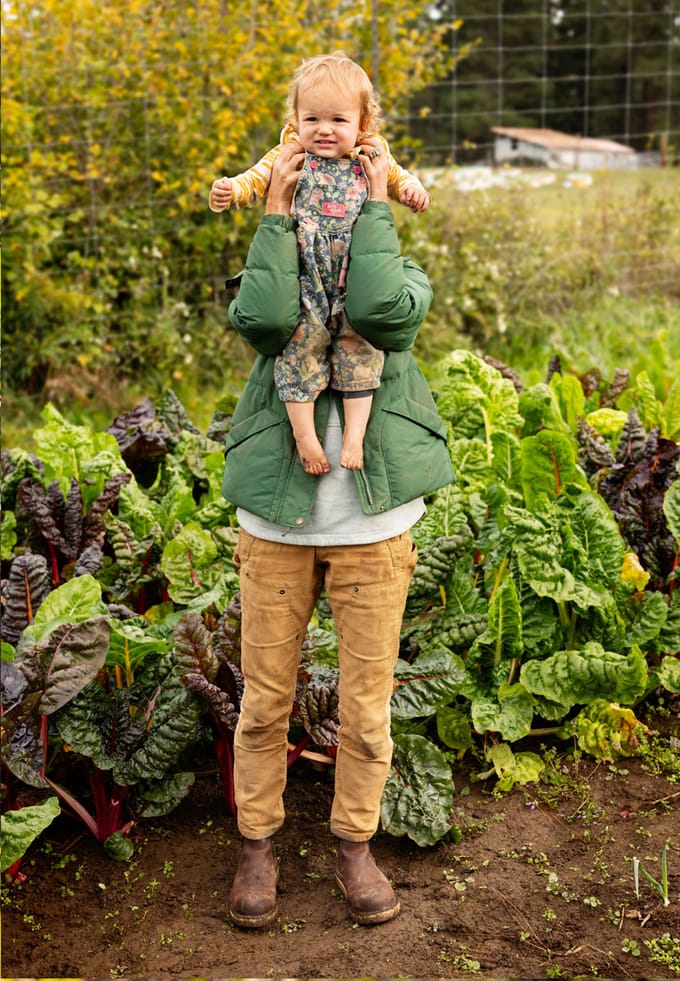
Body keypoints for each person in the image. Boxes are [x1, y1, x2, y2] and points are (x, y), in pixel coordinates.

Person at [219, 138, 453, 929]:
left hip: (373, 527)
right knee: (263, 702)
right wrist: (275, 211)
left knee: (366, 708)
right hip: (274, 527)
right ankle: (257, 843)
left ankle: (354, 844)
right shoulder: (278, 255)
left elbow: (381, 310)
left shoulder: (402, 271)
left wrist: (379, 199)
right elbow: (266, 318)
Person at [210, 53, 431, 475]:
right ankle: (305, 436)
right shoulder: (289, 155)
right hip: (306, 278)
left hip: (353, 277)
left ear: (363, 123)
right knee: (299, 347)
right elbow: (253, 180)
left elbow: (400, 178)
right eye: (311, 119)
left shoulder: (371, 156)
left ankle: (354, 436)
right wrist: (230, 190)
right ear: (295, 120)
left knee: (360, 348)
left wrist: (413, 190)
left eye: (338, 120)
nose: (324, 129)